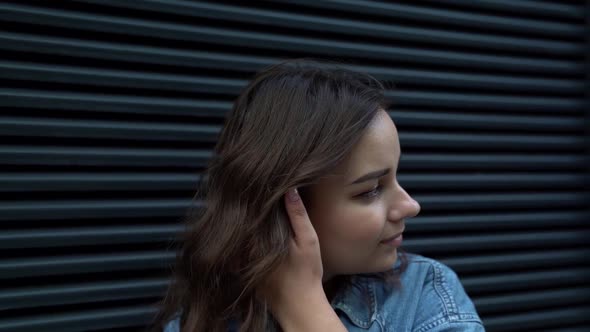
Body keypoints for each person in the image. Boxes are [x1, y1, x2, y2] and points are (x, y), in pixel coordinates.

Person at [149, 58, 485, 331]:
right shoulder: (203, 321)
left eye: (396, 177)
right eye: (370, 190)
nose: (410, 206)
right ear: (286, 208)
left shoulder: (426, 296)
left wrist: (305, 311)